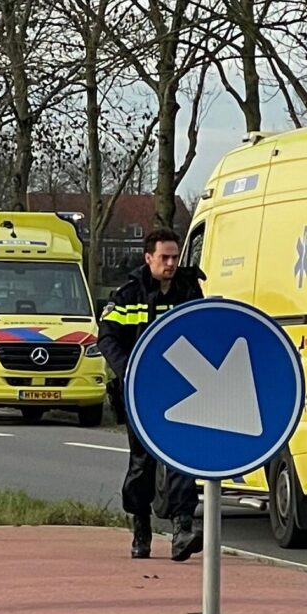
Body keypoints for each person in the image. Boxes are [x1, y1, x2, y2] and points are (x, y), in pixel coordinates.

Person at [98, 225, 205, 562]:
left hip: (180, 390)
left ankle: (182, 529)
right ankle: (140, 525)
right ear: (149, 258)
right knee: (142, 465)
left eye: (175, 257)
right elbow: (107, 337)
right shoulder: (129, 294)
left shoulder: (189, 290)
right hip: (140, 393)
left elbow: (204, 331)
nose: (171, 263)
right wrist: (129, 369)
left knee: (179, 457)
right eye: (165, 257)